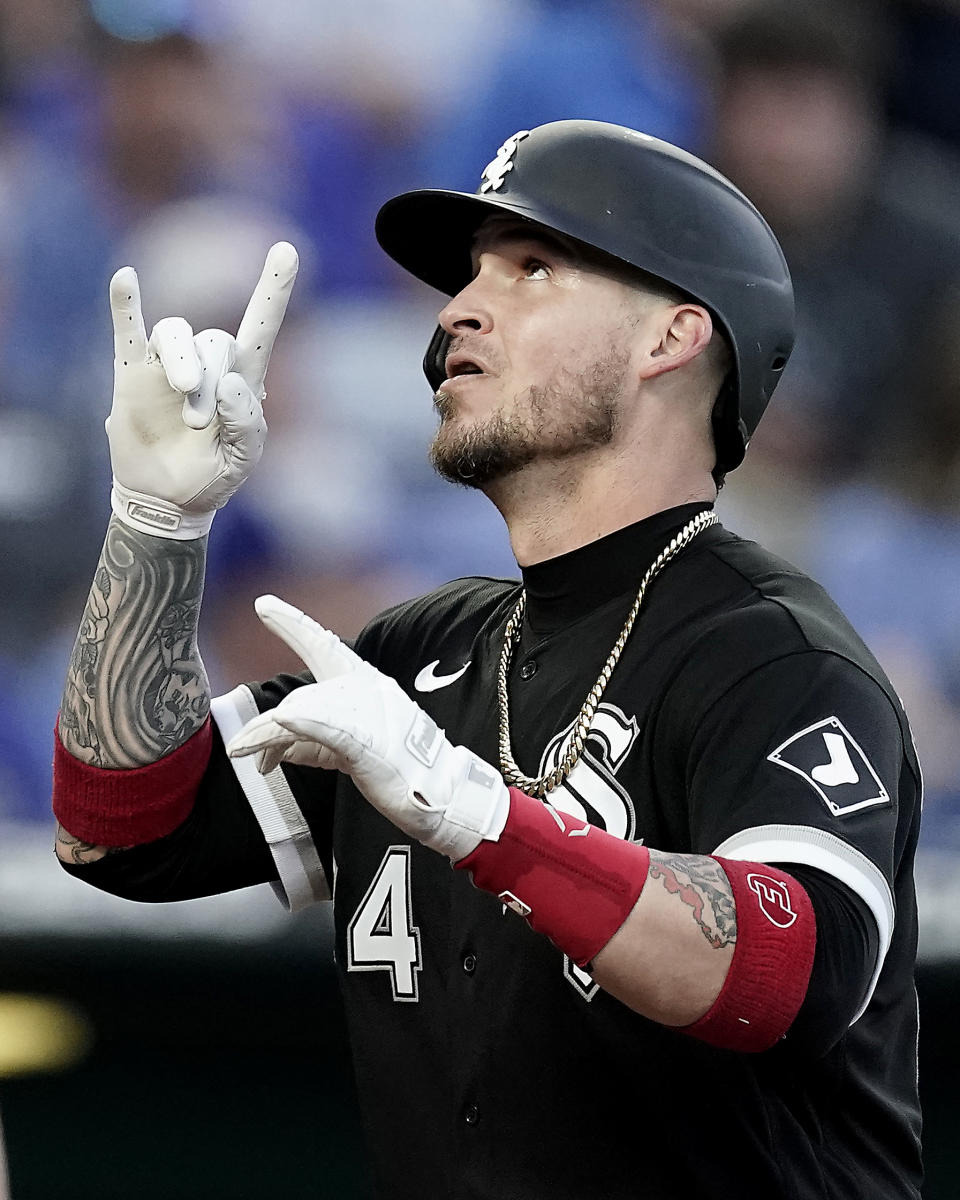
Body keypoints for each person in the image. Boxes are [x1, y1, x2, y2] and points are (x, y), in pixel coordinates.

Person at [51, 121, 922, 1199]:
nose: (460, 308)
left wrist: (483, 818)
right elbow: (122, 830)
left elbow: (786, 973)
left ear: (672, 339)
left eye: (534, 269)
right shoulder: (424, 652)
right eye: (469, 277)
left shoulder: (772, 655)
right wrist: (155, 522)